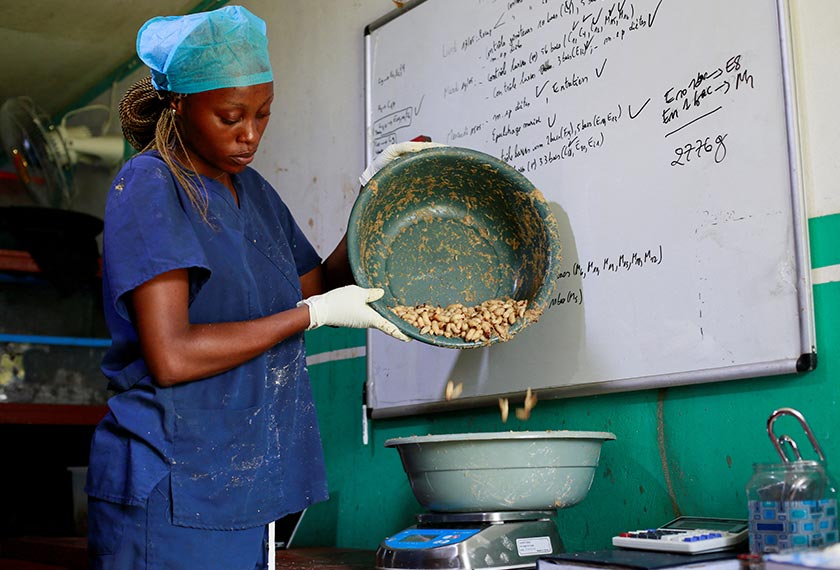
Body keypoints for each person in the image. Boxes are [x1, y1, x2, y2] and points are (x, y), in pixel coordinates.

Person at [85, 6, 438, 569]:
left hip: (244, 490)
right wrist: (312, 314)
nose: (250, 135)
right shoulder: (149, 186)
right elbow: (171, 355)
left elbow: (319, 285)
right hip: (173, 491)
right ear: (179, 102)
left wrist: (378, 198)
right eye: (230, 117)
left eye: (263, 114)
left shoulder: (253, 192)